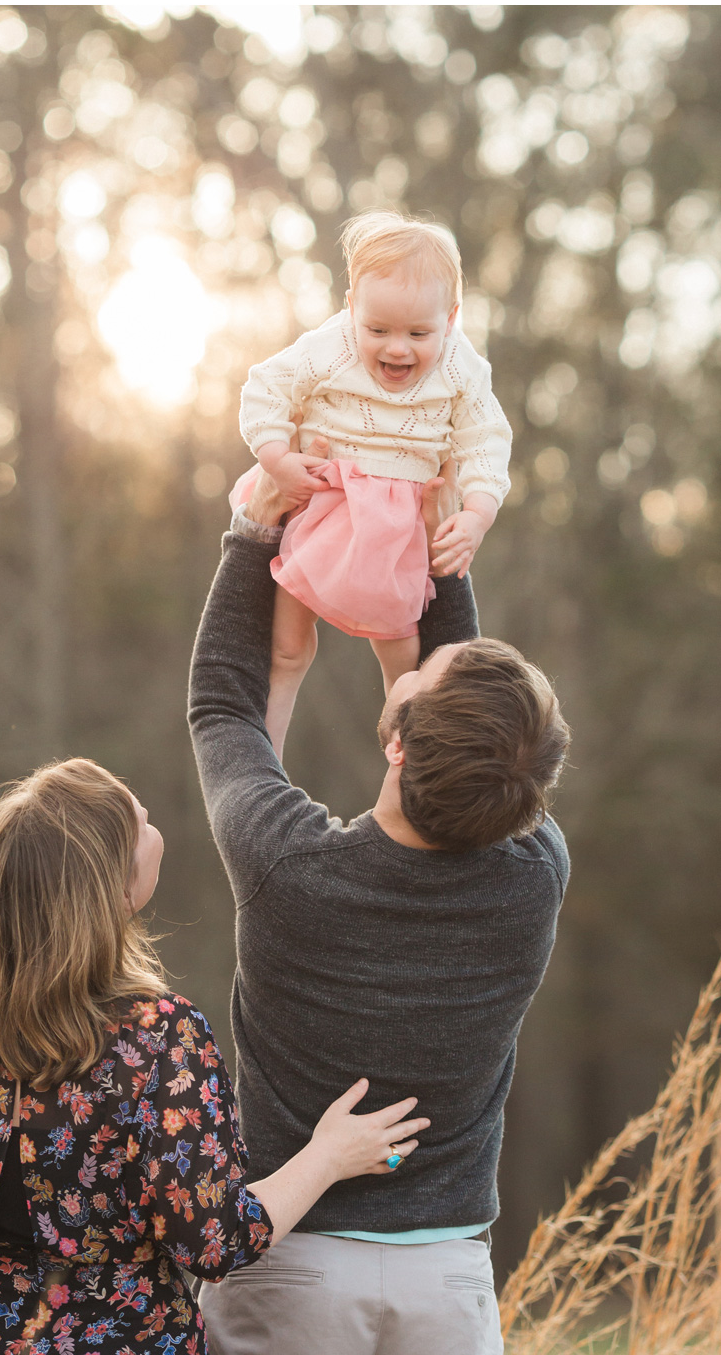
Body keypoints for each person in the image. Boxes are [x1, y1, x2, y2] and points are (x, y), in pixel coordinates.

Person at [188, 470, 570, 1355]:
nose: (428, 655)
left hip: (289, 1264)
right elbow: (485, 738)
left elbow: (223, 705)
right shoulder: (535, 874)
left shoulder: (289, 868)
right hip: (447, 1284)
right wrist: (433, 541)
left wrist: (251, 534)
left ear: (397, 746)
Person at [0, 759, 428, 1355]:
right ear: (112, 887)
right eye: (137, 822)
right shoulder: (158, 1040)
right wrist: (328, 1156)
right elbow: (213, 1239)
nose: (151, 821)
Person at [232, 212, 512, 756]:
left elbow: (485, 440)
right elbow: (266, 388)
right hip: (325, 501)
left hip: (397, 526)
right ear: (351, 309)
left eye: (418, 333)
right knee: (286, 648)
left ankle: (409, 767)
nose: (397, 349)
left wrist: (477, 514)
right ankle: (267, 762)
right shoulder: (330, 345)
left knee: (405, 662)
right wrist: (277, 459)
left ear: (451, 319)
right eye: (377, 329)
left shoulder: (463, 367)